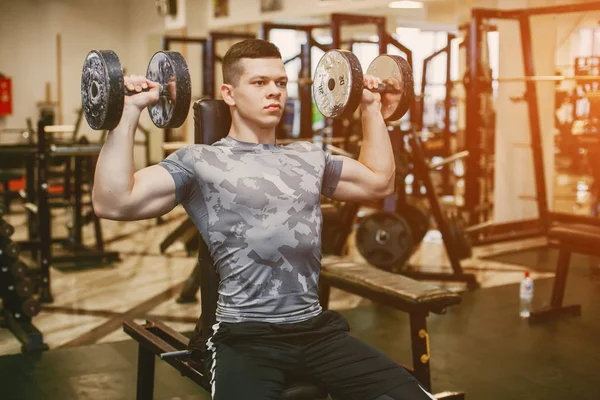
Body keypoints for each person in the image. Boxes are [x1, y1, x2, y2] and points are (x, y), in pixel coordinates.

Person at [92, 39, 435, 400]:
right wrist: (128, 112)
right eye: (259, 83)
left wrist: (370, 108)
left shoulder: (308, 157)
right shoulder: (200, 161)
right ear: (229, 92)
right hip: (246, 338)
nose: (274, 91)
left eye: (281, 83)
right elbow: (114, 202)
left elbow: (379, 182)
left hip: (316, 331)